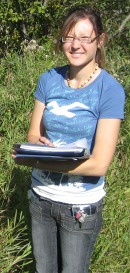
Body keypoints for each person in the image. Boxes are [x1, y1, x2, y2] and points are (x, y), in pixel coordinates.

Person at [13, 5, 125, 273]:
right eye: (69, 37)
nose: (76, 45)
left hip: (80, 208)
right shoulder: (48, 80)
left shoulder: (110, 91)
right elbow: (33, 133)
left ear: (100, 40)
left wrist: (40, 163)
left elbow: (99, 165)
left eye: (85, 38)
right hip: (40, 198)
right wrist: (37, 146)